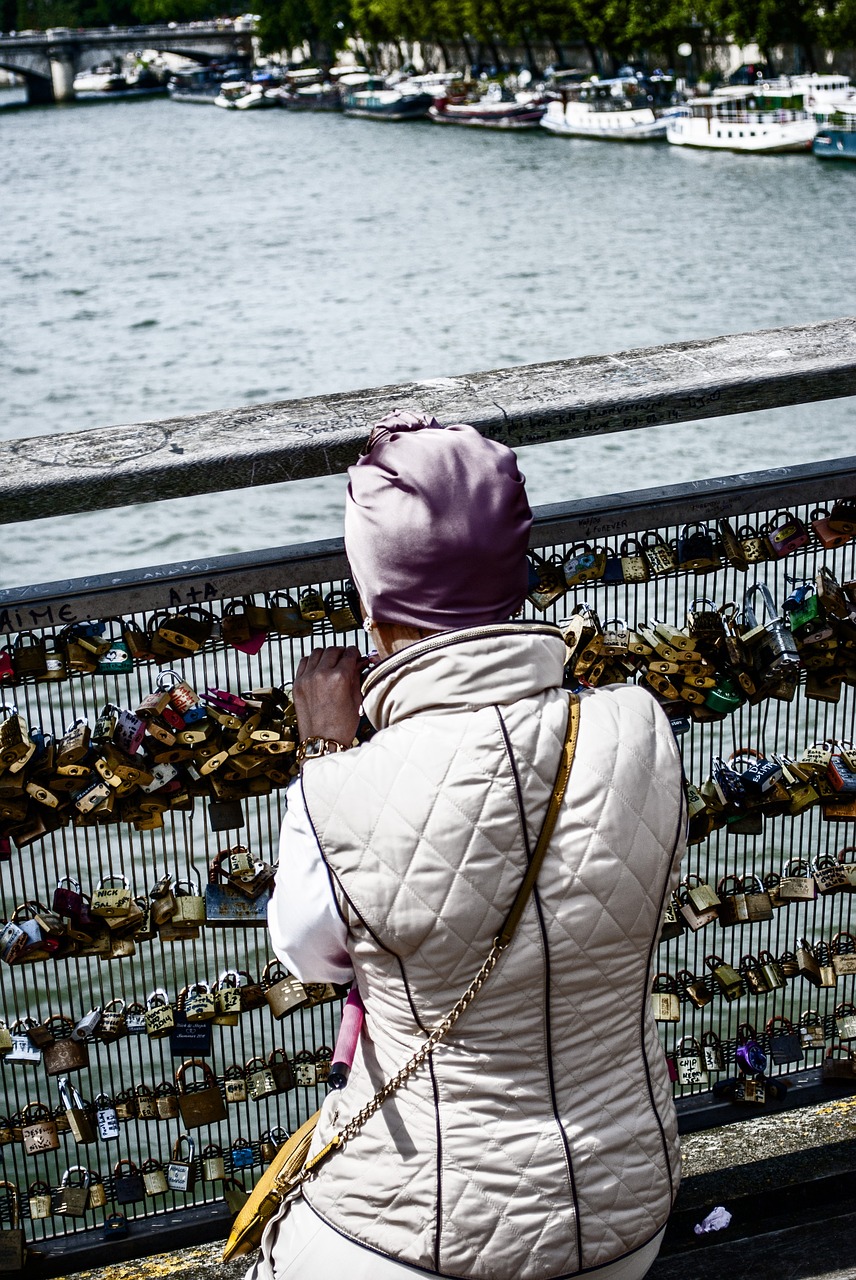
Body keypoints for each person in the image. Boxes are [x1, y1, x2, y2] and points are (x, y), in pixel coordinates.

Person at [255, 410, 687, 1280]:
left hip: (418, 1236)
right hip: (625, 1215)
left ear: (373, 603)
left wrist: (325, 760)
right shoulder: (640, 726)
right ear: (516, 578)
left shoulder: (341, 780)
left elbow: (310, 954)